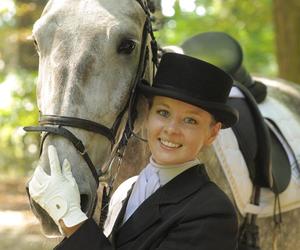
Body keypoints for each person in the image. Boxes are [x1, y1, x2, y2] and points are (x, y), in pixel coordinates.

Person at [29, 52, 239, 250]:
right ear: (147, 115)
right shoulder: (126, 189)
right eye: (163, 112)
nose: (171, 129)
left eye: (190, 120)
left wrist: (71, 219)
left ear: (212, 133)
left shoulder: (213, 211)